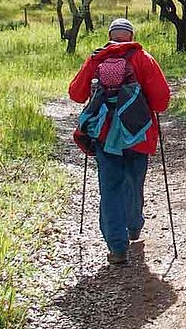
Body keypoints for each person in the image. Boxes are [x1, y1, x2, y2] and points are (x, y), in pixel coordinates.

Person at [69, 18, 170, 265]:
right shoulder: (143, 59)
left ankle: (117, 248)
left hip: (105, 135)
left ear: (110, 35)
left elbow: (76, 93)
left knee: (110, 188)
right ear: (131, 36)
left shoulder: (96, 59)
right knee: (134, 183)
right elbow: (161, 102)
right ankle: (134, 226)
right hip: (138, 134)